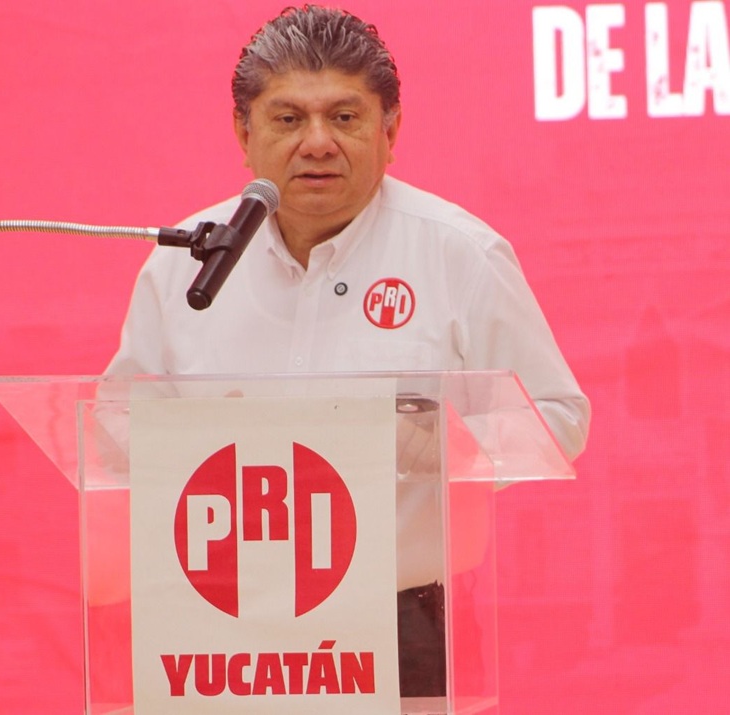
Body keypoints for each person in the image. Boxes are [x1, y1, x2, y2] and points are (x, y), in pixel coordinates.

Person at [106, 4, 590, 698]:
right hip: (216, 622)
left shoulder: (459, 253)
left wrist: (446, 446)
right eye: (288, 118)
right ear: (244, 133)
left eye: (344, 117)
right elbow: (113, 429)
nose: (317, 143)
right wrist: (193, 441)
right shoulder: (184, 260)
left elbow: (559, 416)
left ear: (390, 131)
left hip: (397, 620)